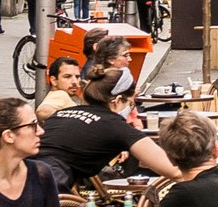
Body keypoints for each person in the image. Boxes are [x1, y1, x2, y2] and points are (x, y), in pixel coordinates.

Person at [37, 68, 180, 191]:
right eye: (131, 103)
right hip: (50, 183)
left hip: (24, 170)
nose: (131, 108)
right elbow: (172, 170)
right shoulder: (114, 124)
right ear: (118, 101)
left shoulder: (62, 113)